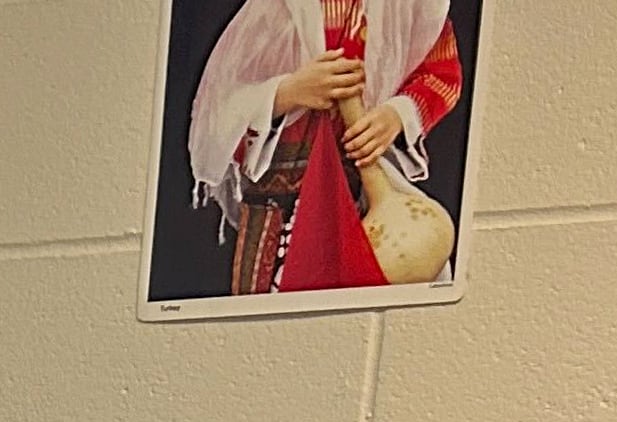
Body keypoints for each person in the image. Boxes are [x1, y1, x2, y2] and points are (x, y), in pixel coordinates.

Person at [188, 0, 464, 296]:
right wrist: (286, 93)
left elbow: (440, 73)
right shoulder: (273, 9)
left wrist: (397, 114)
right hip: (278, 202)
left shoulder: (408, 5)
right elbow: (220, 104)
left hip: (360, 197)